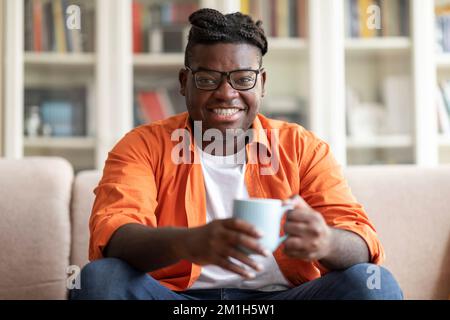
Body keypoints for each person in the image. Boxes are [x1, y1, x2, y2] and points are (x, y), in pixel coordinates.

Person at [71, 8, 403, 300]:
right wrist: (188, 243)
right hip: (176, 298)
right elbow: (114, 237)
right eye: (207, 79)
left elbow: (362, 242)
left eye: (243, 79)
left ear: (262, 83)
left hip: (280, 298)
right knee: (100, 279)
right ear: (184, 82)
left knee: (373, 283)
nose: (226, 94)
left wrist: (326, 242)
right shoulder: (141, 146)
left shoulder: (302, 148)